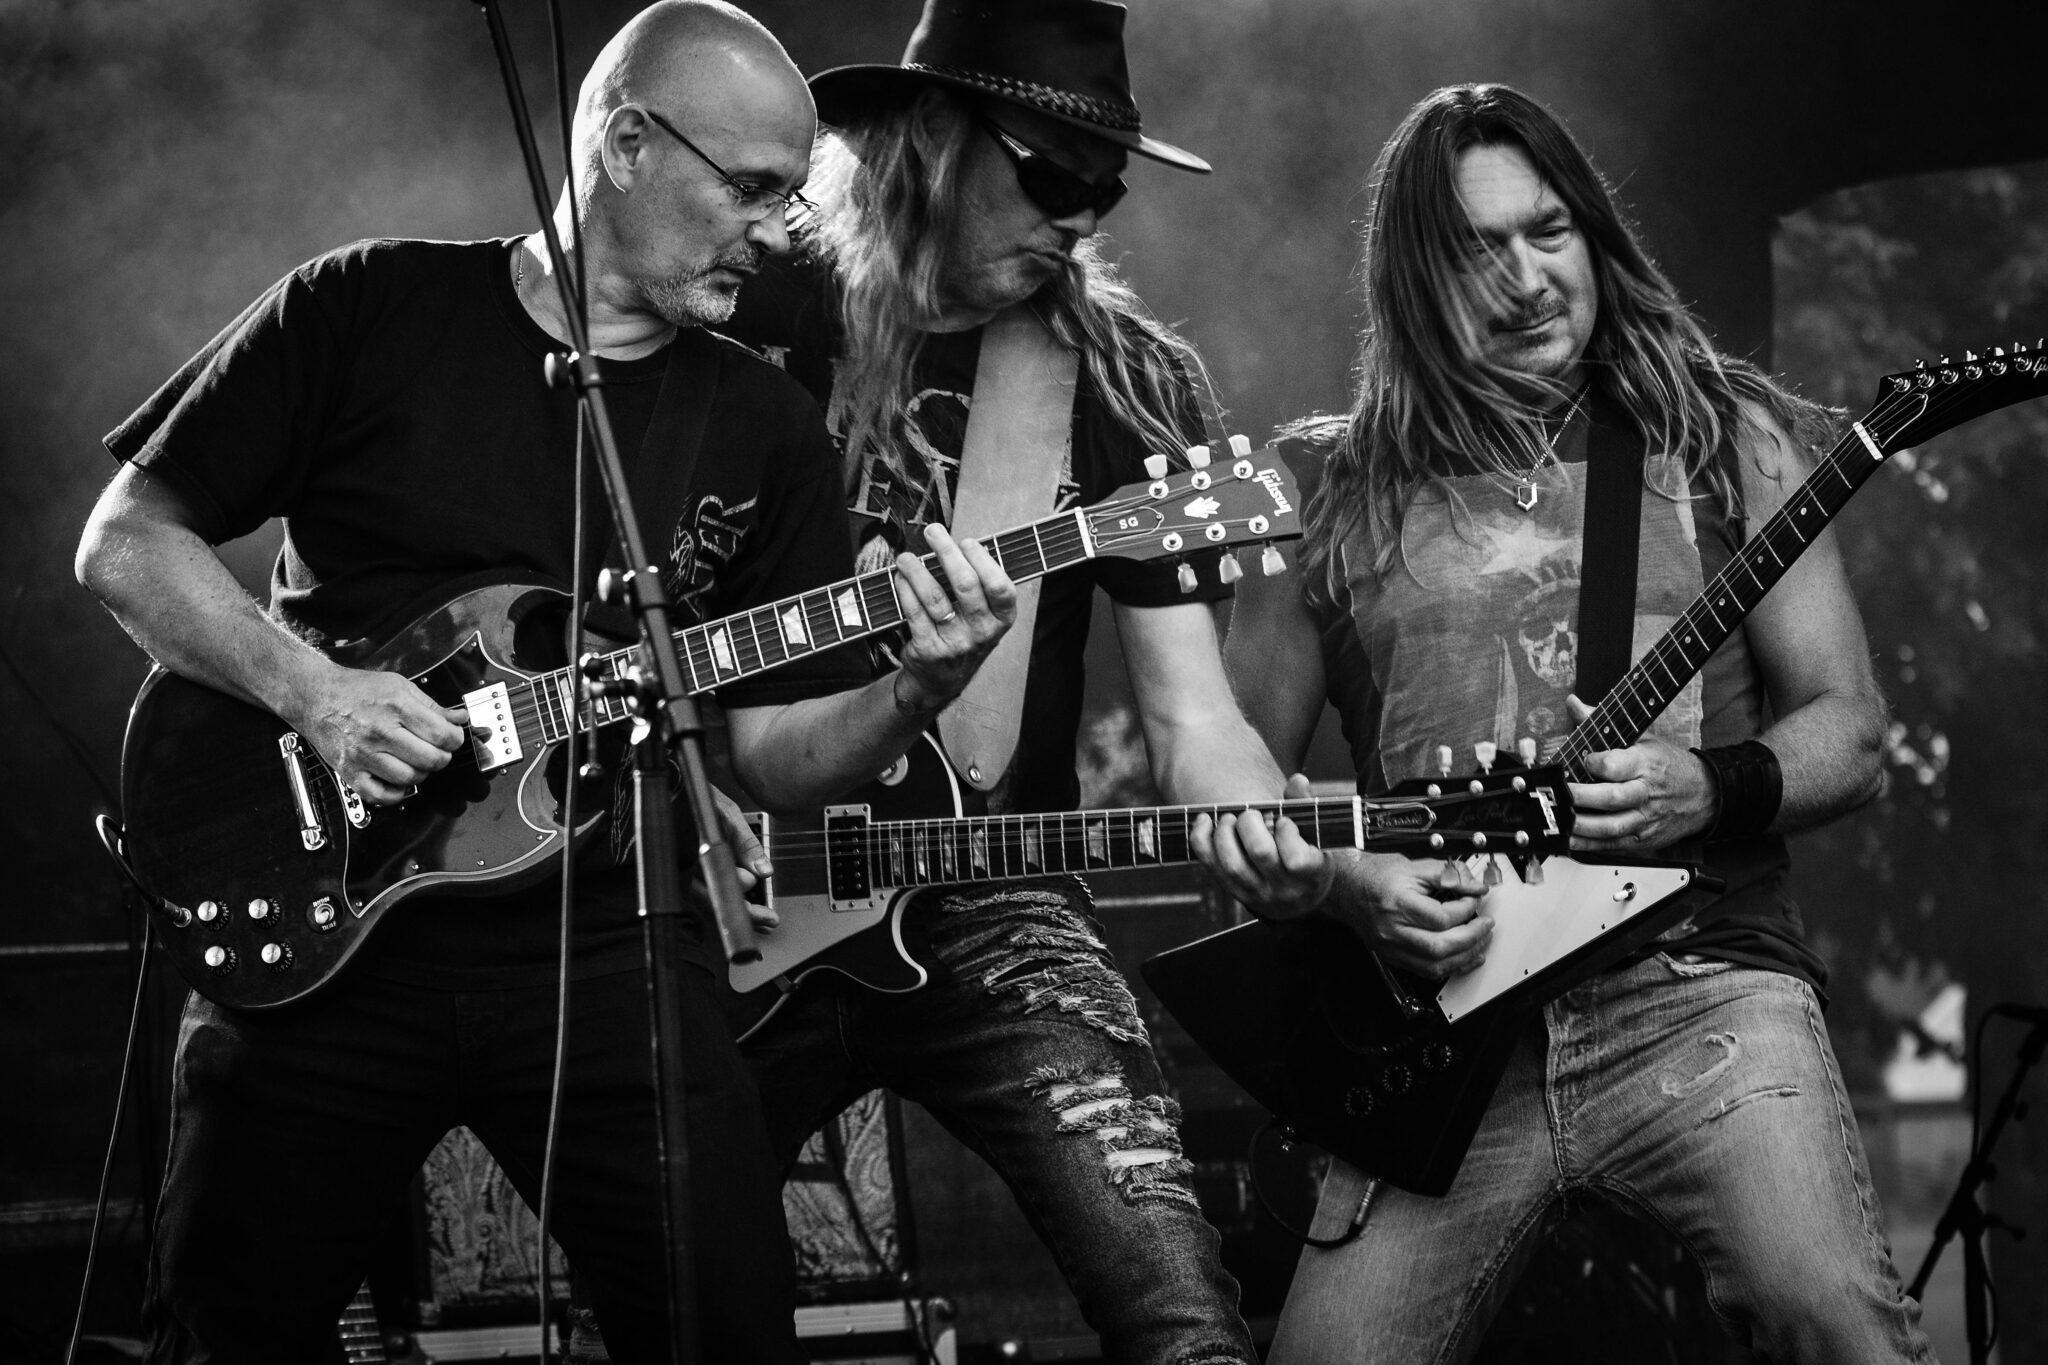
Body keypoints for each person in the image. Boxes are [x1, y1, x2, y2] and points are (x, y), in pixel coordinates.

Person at [73, 4, 1014, 1361]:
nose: (780, 228)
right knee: (230, 1331)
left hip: (611, 947)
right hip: (325, 935)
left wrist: (916, 690)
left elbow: (767, 758)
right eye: (751, 188)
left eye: (793, 198)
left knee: (730, 1328)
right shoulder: (366, 306)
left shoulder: (758, 425)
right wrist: (315, 696)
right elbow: (126, 543)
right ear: (630, 142)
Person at [1196, 84, 1936, 1362]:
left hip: (1694, 990)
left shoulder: (1719, 433)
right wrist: (1348, 881)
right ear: (1411, 281)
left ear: (1594, 234)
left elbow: (1851, 729)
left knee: (1836, 1319)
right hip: (1440, 1042)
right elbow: (1234, 785)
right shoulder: (1316, 487)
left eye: (1548, 231)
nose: (1528, 278)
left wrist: (1711, 788)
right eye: (1477, 250)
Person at [710, 3, 1280, 1361]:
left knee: (1182, 1312)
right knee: (663, 1295)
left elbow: (1193, 718)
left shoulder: (1125, 379)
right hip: (716, 884)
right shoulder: (735, 305)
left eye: (1106, 187)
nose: (1080, 217)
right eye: (1047, 171)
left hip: (986, 887)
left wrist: (1266, 818)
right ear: (927, 136)